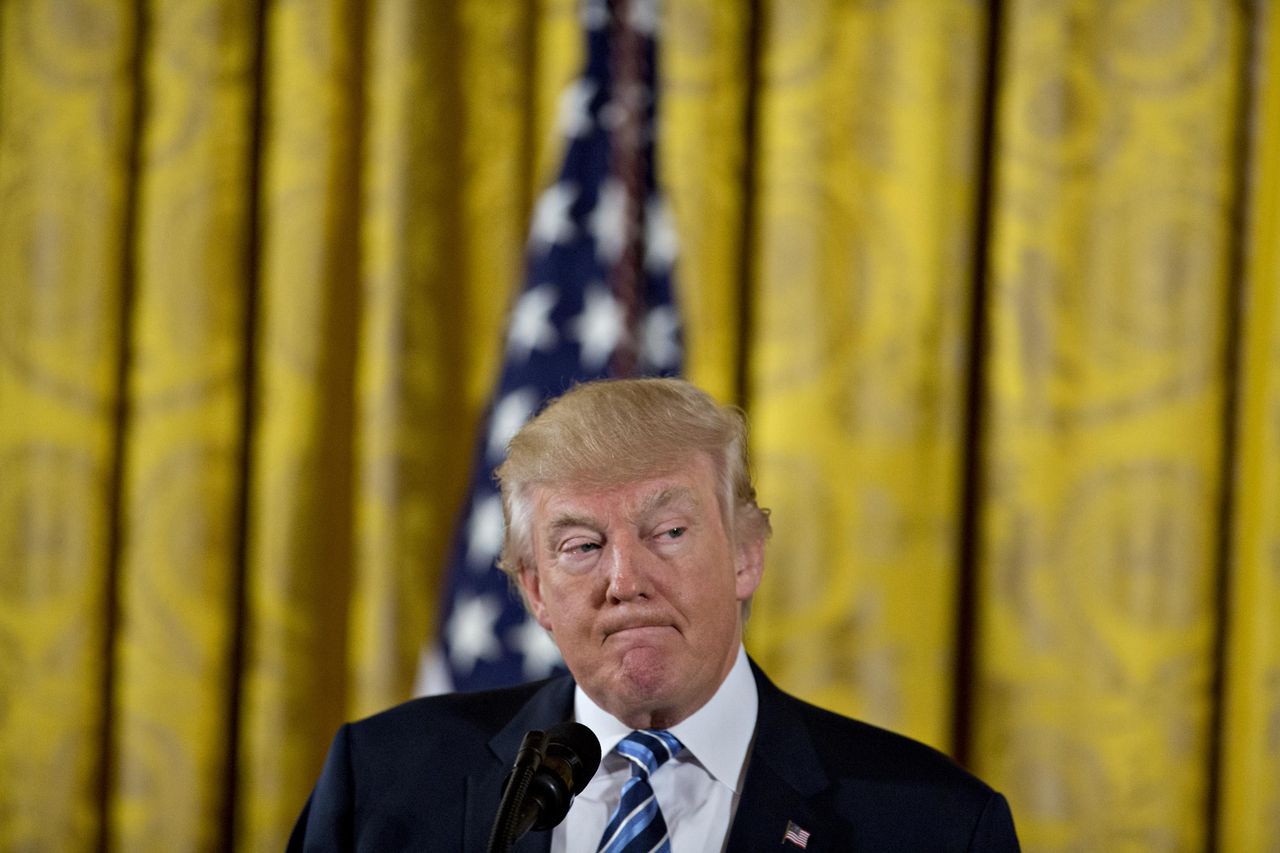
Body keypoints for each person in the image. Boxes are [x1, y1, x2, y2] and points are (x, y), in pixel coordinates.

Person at [289, 378, 1020, 852]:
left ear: (746, 557)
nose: (625, 578)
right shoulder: (382, 786)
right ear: (536, 590)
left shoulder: (938, 828)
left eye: (668, 533)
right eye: (582, 544)